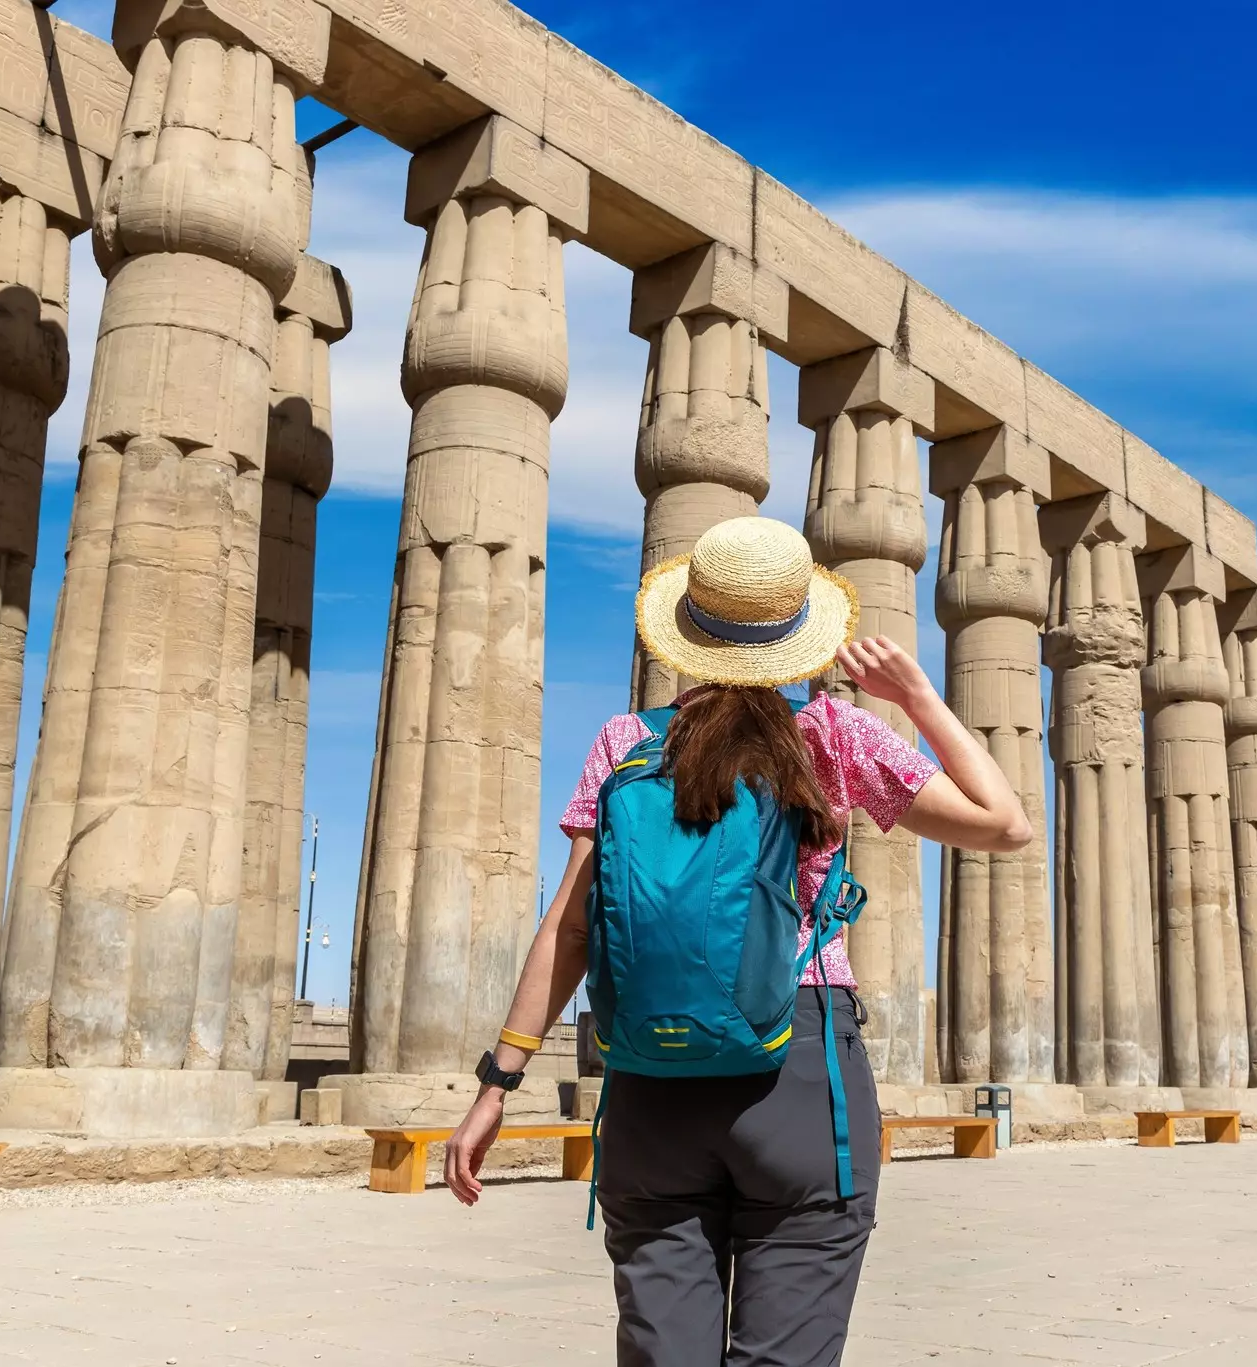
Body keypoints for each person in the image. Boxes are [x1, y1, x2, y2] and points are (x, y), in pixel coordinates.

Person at [442, 516, 1032, 1367]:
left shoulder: (626, 742)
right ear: (798, 635)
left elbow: (571, 927)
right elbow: (1005, 826)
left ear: (690, 629)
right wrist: (920, 700)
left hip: (652, 1072)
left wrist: (498, 1082)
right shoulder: (832, 736)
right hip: (801, 1067)